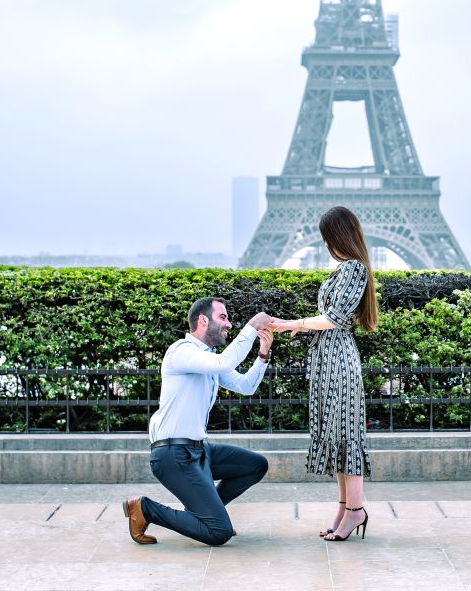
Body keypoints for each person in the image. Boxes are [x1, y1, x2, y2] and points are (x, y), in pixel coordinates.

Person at [123, 298, 274, 545]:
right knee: (219, 533)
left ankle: (209, 513)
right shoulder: (182, 352)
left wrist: (263, 354)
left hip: (199, 451)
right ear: (203, 320)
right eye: (223, 317)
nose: (229, 324)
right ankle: (145, 509)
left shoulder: (208, 358)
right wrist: (251, 325)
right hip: (173, 454)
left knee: (256, 465)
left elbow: (245, 386)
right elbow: (224, 362)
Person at [270, 206, 378, 541]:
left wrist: (295, 324)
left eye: (327, 237)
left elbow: (334, 317)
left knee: (346, 435)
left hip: (338, 361)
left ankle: (355, 510)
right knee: (337, 435)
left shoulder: (353, 270)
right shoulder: (345, 270)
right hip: (327, 359)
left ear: (337, 236)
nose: (326, 244)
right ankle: (345, 509)